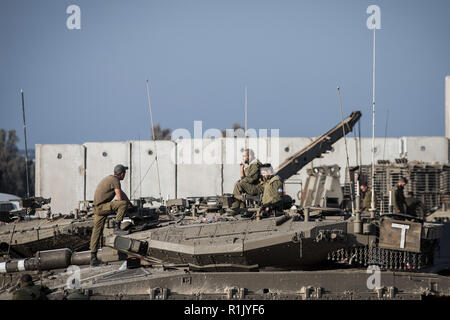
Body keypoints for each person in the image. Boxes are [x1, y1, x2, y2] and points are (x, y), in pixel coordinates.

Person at [90, 164, 133, 266]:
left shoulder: (110, 179)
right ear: (121, 174)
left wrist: (130, 204)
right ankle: (117, 227)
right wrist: (127, 205)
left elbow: (122, 194)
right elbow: (120, 198)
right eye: (124, 174)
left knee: (96, 232)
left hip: (97, 208)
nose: (125, 175)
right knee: (122, 204)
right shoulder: (115, 180)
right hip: (102, 207)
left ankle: (93, 257)